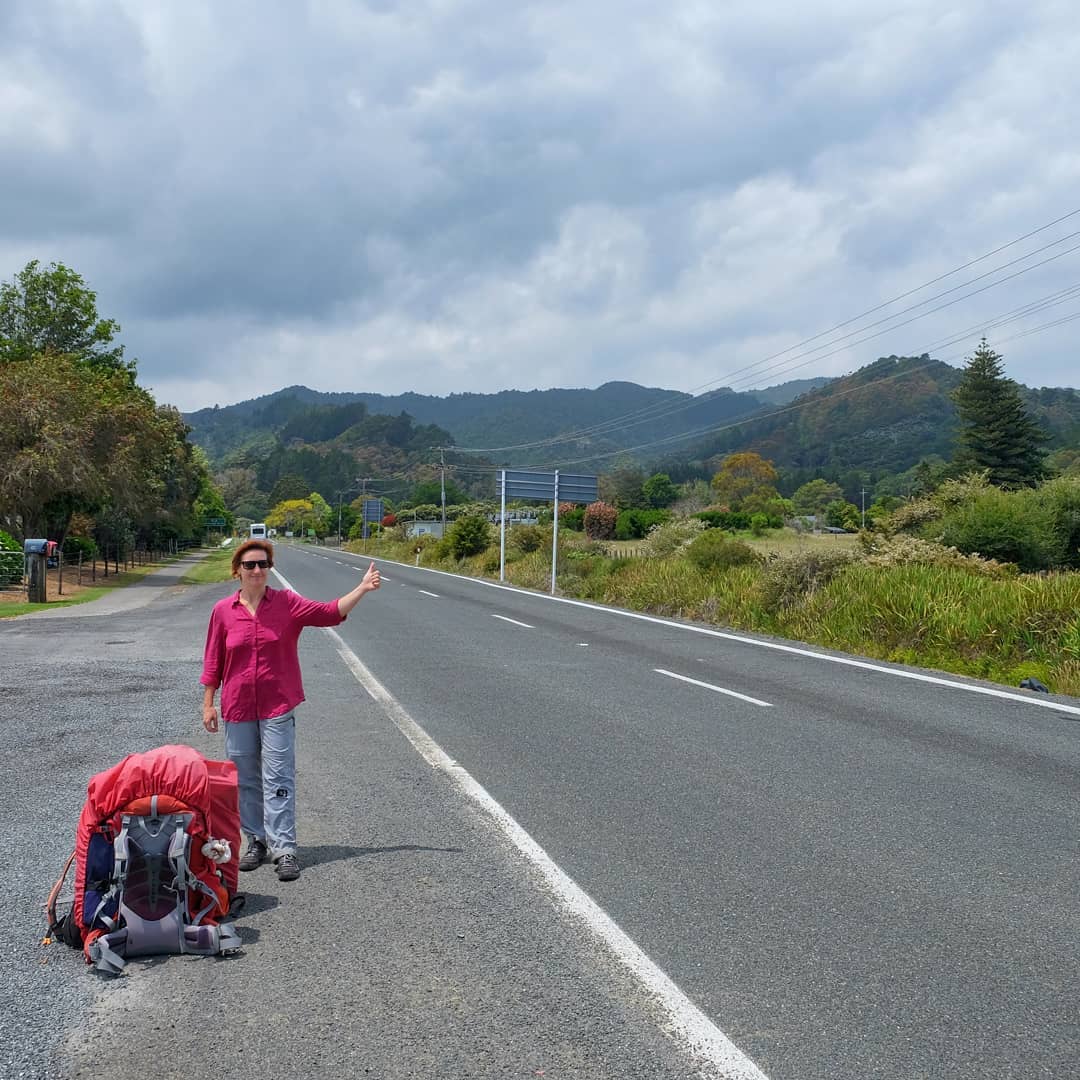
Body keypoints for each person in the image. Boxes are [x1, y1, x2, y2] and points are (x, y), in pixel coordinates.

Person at [200, 539, 380, 881]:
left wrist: (362, 588)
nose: (257, 571)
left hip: (277, 705)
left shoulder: (286, 604)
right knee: (245, 779)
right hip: (237, 706)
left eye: (263, 564)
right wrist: (208, 703)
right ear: (237, 570)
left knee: (278, 776)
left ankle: (285, 848)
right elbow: (214, 660)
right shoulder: (223, 611)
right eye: (250, 565)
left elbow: (329, 612)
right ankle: (255, 841)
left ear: (270, 569)